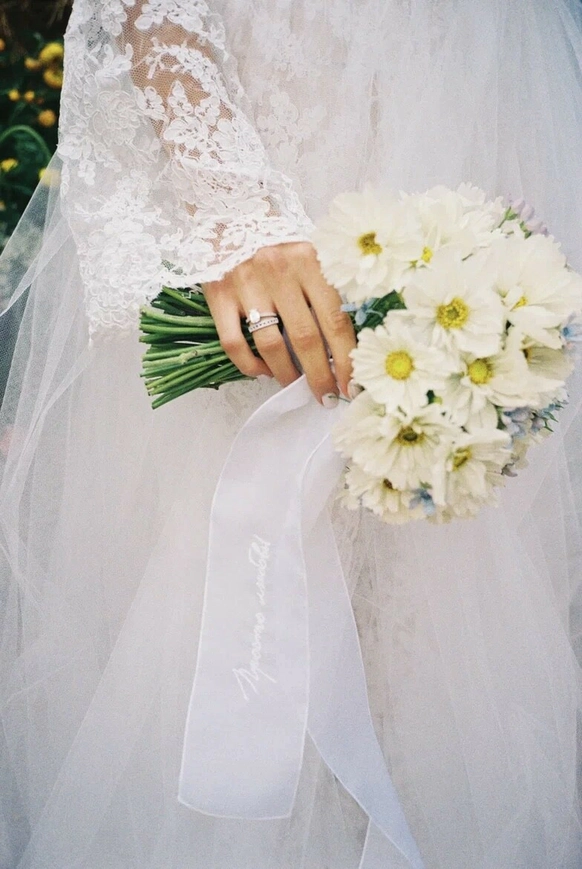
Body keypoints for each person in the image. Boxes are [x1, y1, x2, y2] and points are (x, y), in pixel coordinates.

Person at [1, 1, 582, 867]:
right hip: (280, 105)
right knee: (225, 565)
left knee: (456, 607)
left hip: (487, 104)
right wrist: (231, 203)